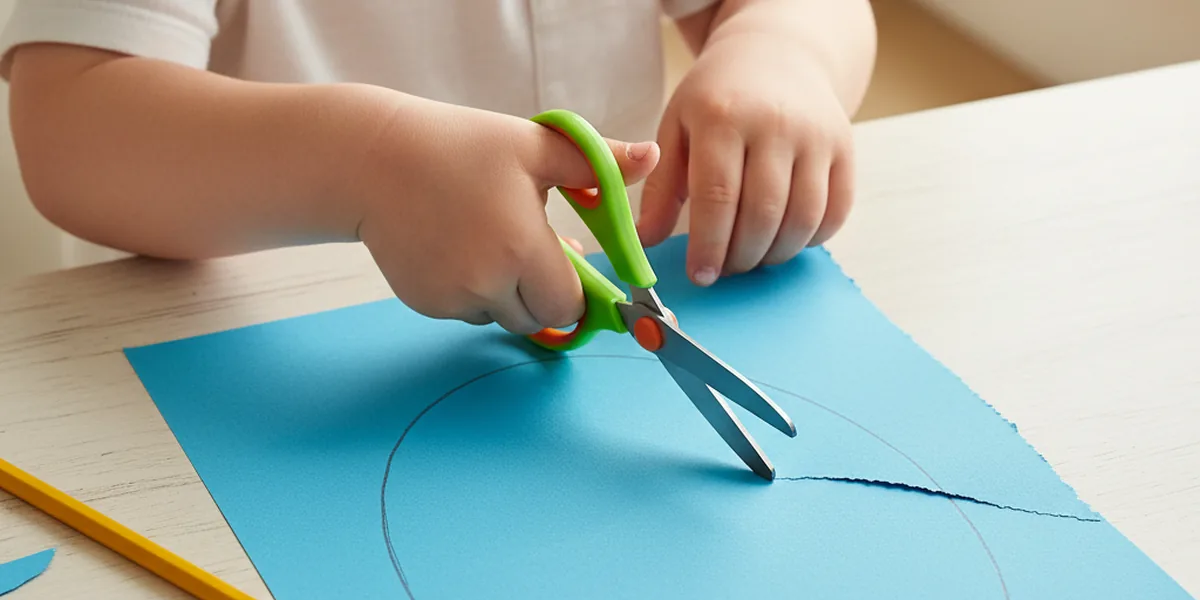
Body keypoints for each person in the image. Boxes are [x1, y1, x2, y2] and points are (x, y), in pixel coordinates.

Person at [1, 1, 875, 335]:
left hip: (588, 322)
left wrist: (783, 48)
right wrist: (366, 165)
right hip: (262, 351)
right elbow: (71, 123)